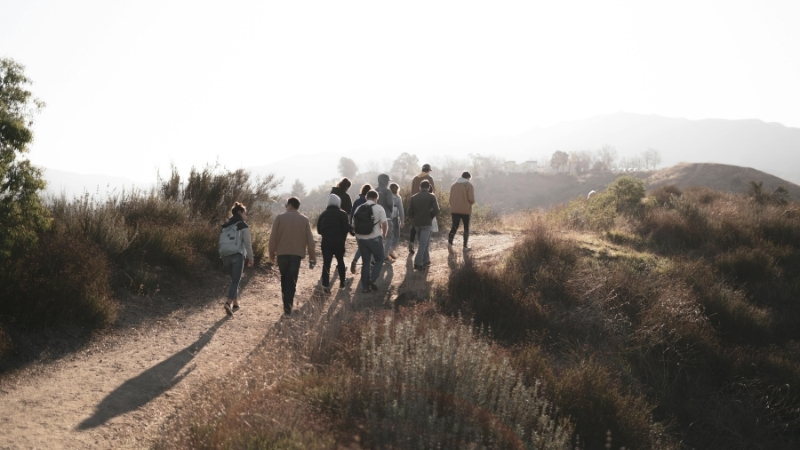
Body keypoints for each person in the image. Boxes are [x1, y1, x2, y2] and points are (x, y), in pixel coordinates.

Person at [269, 197, 317, 316]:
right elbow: (310, 241)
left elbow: (272, 239)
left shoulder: (279, 218)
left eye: (286, 204)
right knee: (292, 280)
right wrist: (312, 257)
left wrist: (271, 254)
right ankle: (288, 307)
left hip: (281, 254)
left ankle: (286, 304)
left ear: (289, 205)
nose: (286, 207)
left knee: (284, 278)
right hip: (296, 255)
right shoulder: (304, 220)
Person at [220, 202, 255, 316]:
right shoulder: (243, 225)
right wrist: (251, 257)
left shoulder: (226, 225)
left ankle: (235, 303)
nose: (246, 216)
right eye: (245, 213)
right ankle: (228, 303)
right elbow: (248, 243)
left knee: (234, 280)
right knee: (236, 280)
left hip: (225, 255)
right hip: (237, 255)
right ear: (240, 212)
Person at [352, 189, 388, 293]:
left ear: (366, 197)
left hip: (361, 239)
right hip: (375, 238)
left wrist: (359, 237)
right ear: (376, 198)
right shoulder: (379, 208)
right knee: (380, 259)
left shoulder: (358, 208)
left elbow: (354, 225)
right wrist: (383, 235)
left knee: (365, 262)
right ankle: (372, 279)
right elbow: (385, 224)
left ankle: (365, 288)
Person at [316, 193, 350, 293]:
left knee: (326, 263)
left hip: (326, 242)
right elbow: (345, 228)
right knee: (340, 261)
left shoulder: (323, 214)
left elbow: (318, 230)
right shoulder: (342, 214)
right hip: (338, 242)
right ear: (338, 202)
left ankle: (325, 285)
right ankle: (342, 282)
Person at [407, 180, 439, 271]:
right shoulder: (431, 196)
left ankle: (426, 260)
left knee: (424, 242)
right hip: (427, 223)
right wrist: (430, 216)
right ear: (428, 187)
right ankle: (418, 263)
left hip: (417, 223)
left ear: (420, 187)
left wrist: (415, 217)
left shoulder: (414, 197)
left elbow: (409, 212)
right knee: (423, 243)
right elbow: (436, 209)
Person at [408, 163, 435, 253]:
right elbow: (433, 191)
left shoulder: (415, 178)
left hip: (415, 203)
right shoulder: (429, 178)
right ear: (428, 170)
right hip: (427, 204)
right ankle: (424, 247)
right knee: (426, 226)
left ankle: (411, 242)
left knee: (415, 224)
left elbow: (412, 191)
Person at [448, 171, 475, 252]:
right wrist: (472, 202)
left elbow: (450, 199)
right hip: (465, 210)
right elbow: (471, 199)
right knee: (466, 228)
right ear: (468, 177)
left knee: (454, 227)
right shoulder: (468, 185)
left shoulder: (453, 185)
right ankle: (465, 247)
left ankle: (450, 243)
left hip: (454, 209)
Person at [349, 183, 372, 274]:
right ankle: (366, 265)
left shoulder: (357, 202)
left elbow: (352, 215)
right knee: (368, 247)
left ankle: (355, 260)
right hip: (368, 229)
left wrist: (352, 227)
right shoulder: (370, 203)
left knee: (361, 246)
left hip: (358, 228)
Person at [376, 173, 395, 264]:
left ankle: (376, 257)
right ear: (385, 181)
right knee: (389, 237)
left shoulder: (374, 190)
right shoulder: (388, 191)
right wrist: (390, 211)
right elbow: (390, 203)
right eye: (387, 180)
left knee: (377, 238)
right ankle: (384, 256)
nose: (388, 182)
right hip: (386, 217)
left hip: (375, 218)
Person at [389, 182, 404, 259]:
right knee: (396, 236)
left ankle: (387, 251)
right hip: (394, 218)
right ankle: (391, 250)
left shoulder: (387, 196)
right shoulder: (398, 198)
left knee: (388, 237)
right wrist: (402, 221)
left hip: (387, 218)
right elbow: (401, 210)